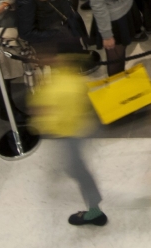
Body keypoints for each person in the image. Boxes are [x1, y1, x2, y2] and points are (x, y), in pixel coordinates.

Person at [28, 51, 107, 226]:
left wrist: (42, 119)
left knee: (77, 170)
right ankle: (93, 205)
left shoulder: (59, 86)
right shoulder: (70, 77)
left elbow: (54, 116)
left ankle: (94, 212)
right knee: (75, 168)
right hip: (79, 131)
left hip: (70, 134)